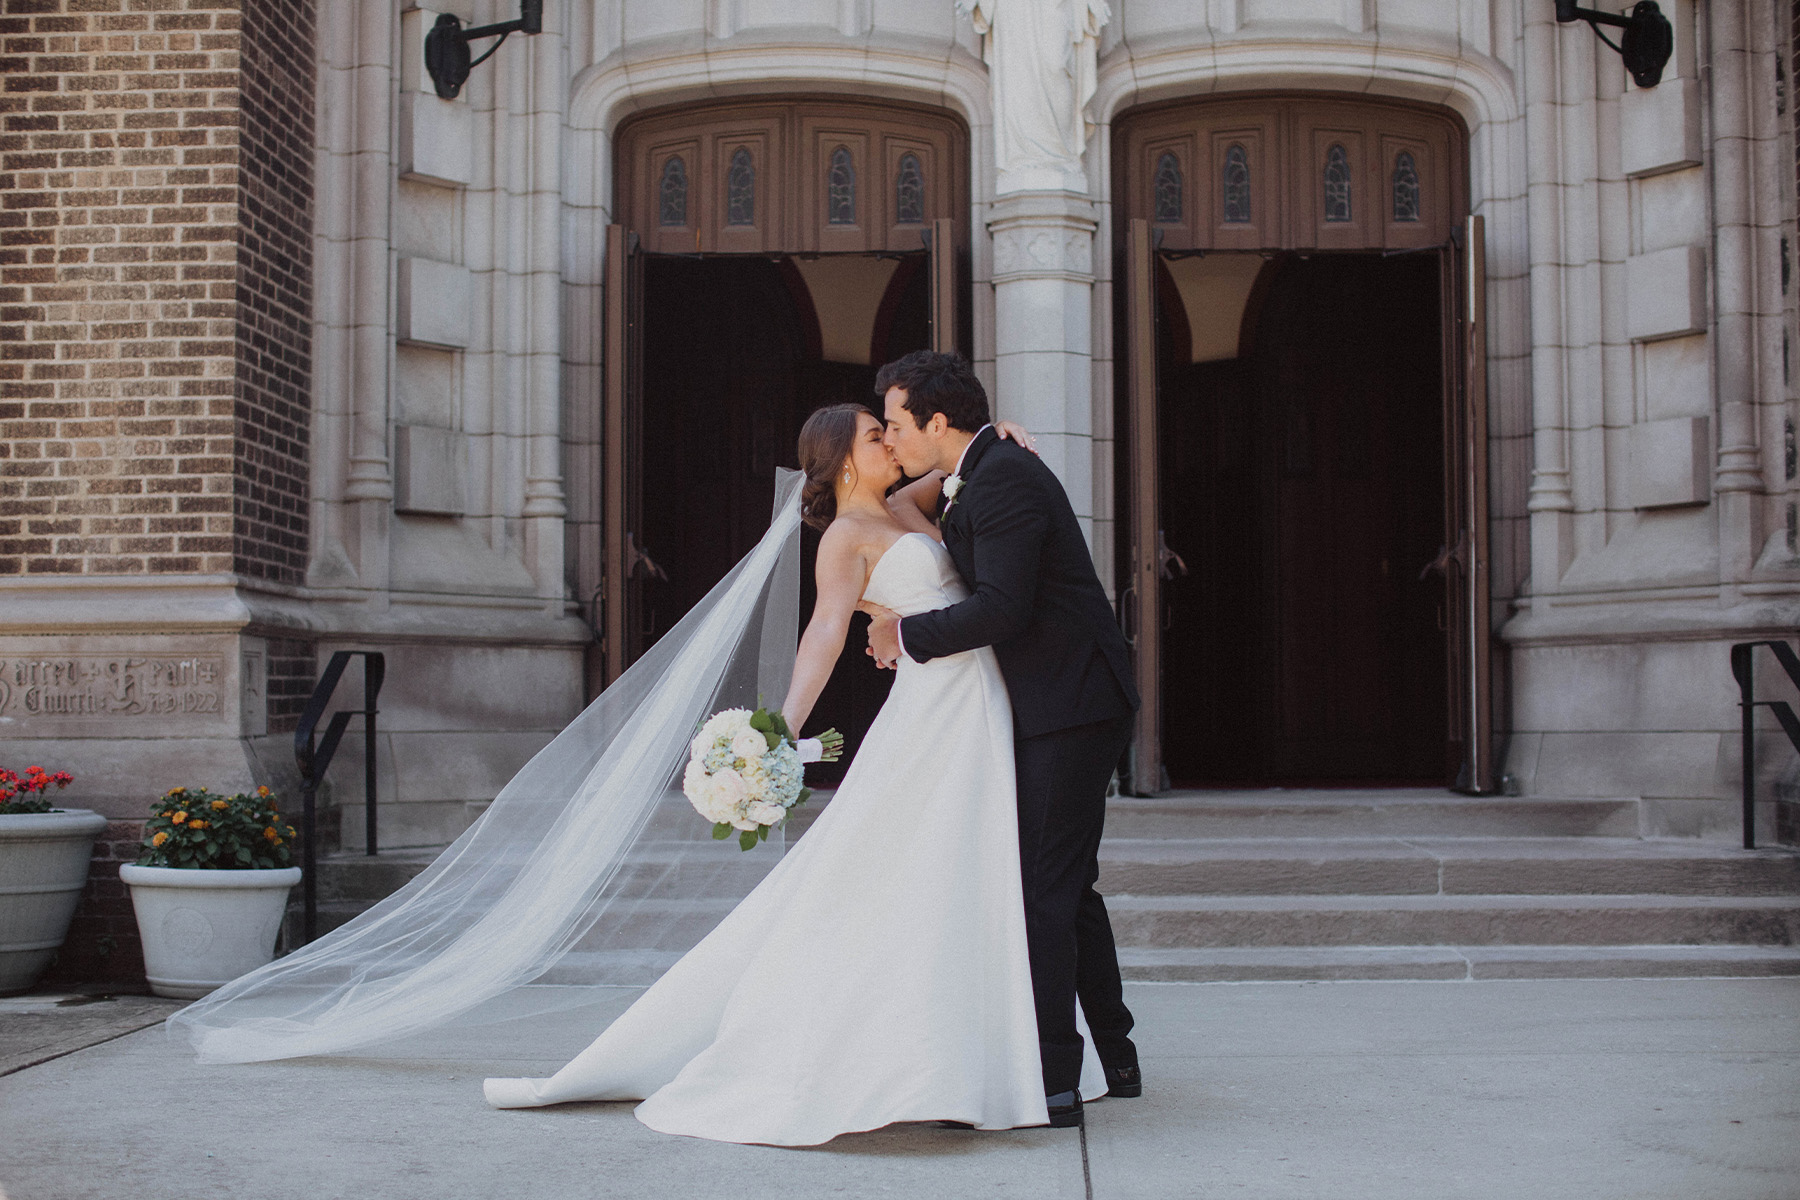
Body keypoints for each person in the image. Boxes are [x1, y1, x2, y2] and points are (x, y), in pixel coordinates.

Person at [481, 405, 1106, 1144]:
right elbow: (825, 635)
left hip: (982, 704)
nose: (891, 443)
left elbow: (961, 461)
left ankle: (989, 1056)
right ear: (844, 461)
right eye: (877, 437)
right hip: (933, 713)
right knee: (905, 868)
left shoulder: (907, 503)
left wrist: (1001, 434)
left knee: (980, 867)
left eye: (891, 430)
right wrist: (779, 730)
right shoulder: (844, 539)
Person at [863, 351, 1141, 1130]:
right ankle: (1116, 1056)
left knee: (1043, 891)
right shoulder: (981, 471)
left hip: (1072, 704)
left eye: (896, 424)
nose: (889, 440)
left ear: (937, 422)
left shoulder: (1006, 478)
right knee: (1067, 883)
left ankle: (1054, 1081)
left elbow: (1003, 609)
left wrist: (902, 631)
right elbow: (903, 495)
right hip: (1059, 701)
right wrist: (984, 440)